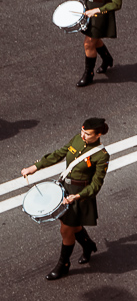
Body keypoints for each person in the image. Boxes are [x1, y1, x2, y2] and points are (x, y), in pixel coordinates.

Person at [21, 118, 110, 280]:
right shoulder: (77, 139)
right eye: (82, 131)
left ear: (98, 135)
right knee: (70, 226)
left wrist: (77, 196)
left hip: (80, 195)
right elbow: (59, 154)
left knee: (65, 230)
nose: (83, 136)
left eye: (88, 134)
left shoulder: (101, 156)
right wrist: (35, 167)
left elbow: (96, 184)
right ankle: (88, 245)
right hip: (65, 189)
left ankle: (64, 265)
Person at [58, 0, 123, 87]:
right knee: (93, 38)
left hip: (100, 13)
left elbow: (117, 4)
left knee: (88, 43)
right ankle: (107, 59)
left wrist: (97, 10)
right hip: (88, 7)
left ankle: (89, 74)